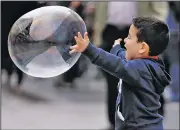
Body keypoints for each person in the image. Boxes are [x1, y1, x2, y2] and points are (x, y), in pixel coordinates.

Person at [69, 17, 171, 130]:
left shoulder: (140, 69)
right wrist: (117, 48)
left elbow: (116, 65)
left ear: (142, 48)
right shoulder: (148, 65)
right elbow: (123, 60)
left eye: (129, 37)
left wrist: (88, 49)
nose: (125, 41)